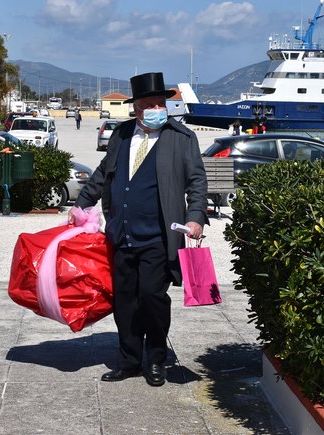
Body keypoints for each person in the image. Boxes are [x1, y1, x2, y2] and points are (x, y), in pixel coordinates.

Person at [71, 72, 208, 387]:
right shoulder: (121, 135)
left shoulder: (181, 137)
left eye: (161, 103)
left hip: (159, 236)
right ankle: (129, 361)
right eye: (151, 105)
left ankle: (156, 359)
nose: (158, 109)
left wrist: (196, 216)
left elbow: (197, 181)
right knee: (125, 301)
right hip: (122, 233)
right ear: (136, 109)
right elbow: (103, 174)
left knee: (151, 297)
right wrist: (80, 205)